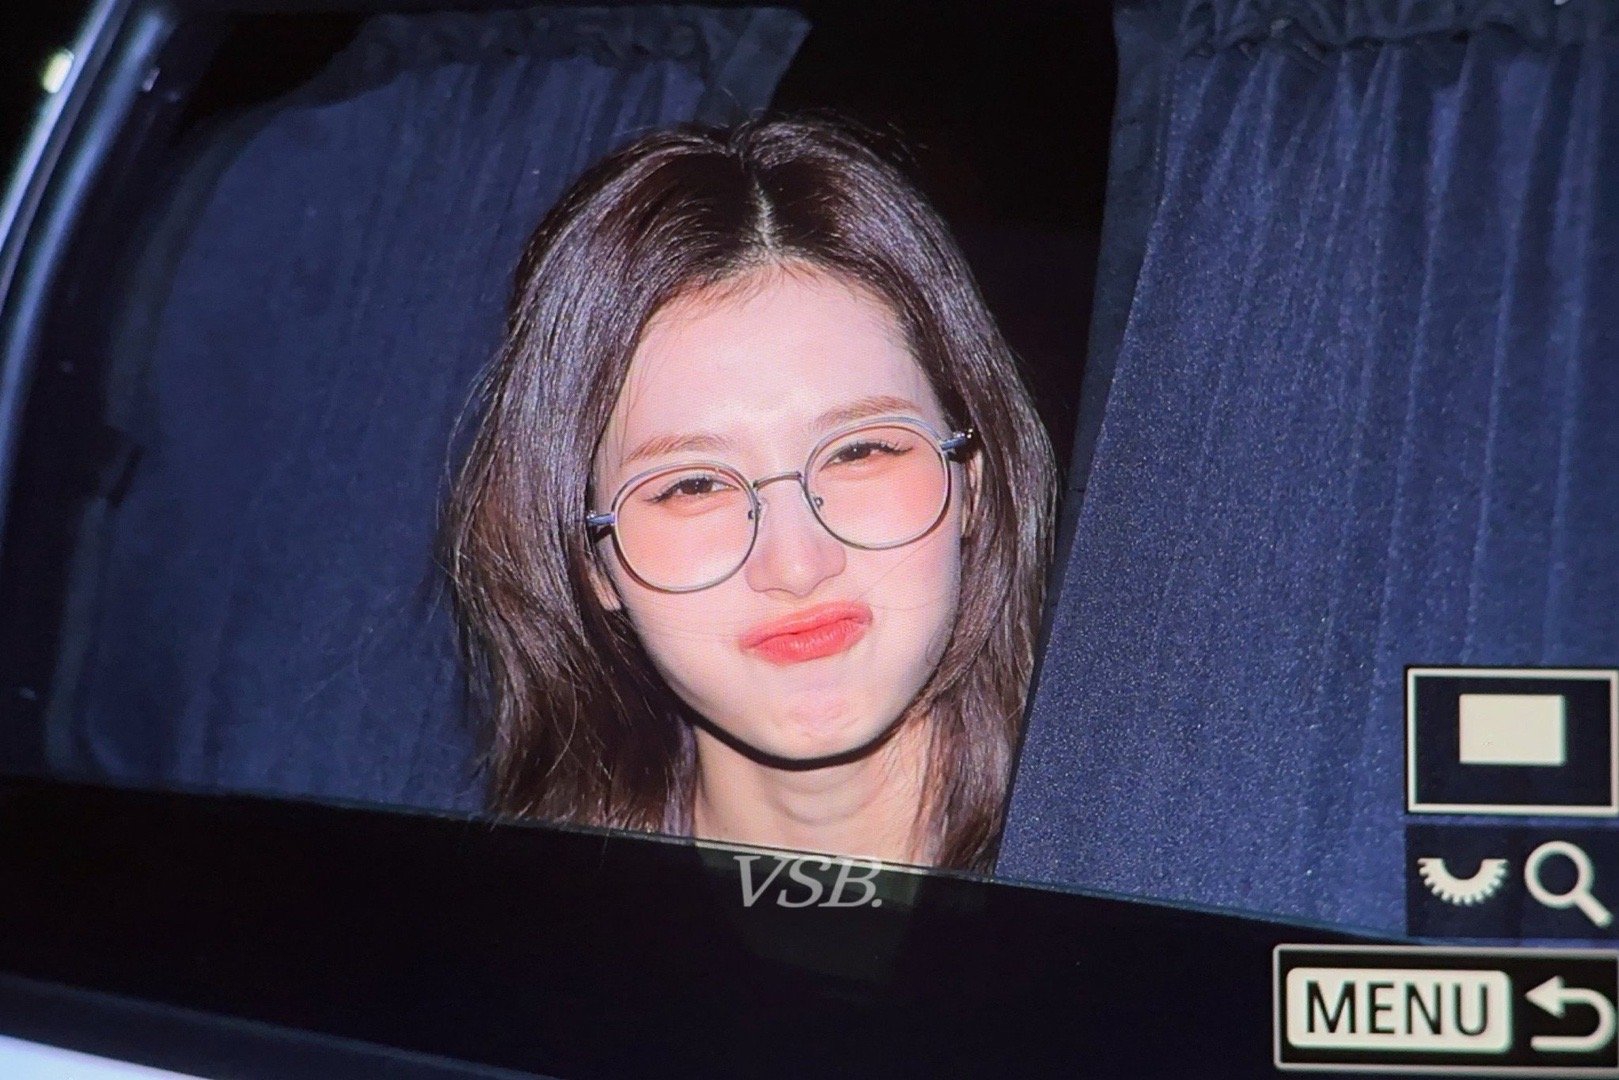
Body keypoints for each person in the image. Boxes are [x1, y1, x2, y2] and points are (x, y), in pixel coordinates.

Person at [443, 116, 1055, 872]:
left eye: (860, 451)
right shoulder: (516, 922)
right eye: (693, 485)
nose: (795, 564)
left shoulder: (1157, 872)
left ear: (971, 480)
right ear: (590, 557)